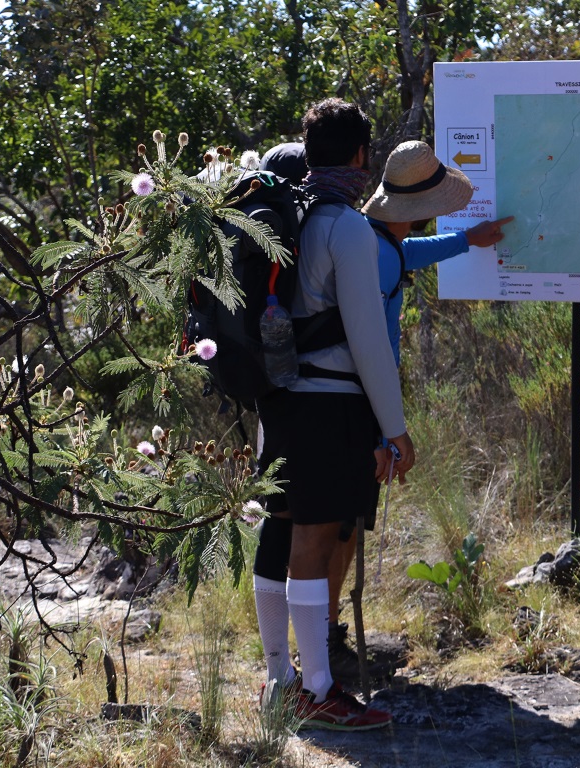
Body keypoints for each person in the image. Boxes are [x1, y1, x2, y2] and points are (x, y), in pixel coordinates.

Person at [256, 139, 512, 681]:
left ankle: (304, 655)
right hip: (348, 407)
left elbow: (408, 254)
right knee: (334, 530)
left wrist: (466, 240)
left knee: (327, 528)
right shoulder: (369, 247)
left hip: (310, 403)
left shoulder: (377, 240)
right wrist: (383, 432)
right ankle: (324, 649)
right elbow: (365, 342)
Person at [251, 97, 414, 730]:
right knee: (315, 542)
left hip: (278, 400)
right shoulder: (345, 226)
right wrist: (395, 428)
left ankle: (280, 681)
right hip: (328, 406)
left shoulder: (288, 216)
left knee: (280, 531)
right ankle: (316, 689)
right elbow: (367, 338)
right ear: (361, 155)